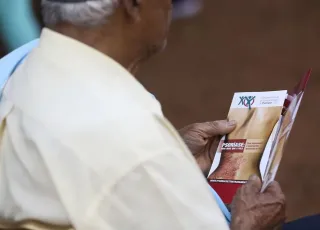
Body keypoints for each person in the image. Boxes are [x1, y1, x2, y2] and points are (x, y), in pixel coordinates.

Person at [0, 0, 286, 229]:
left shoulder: (22, 66)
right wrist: (248, 226)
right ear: (132, 5)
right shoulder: (135, 139)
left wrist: (171, 159)